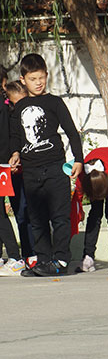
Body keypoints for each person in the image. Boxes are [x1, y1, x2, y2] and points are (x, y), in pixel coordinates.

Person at [8, 53, 83, 277]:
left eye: (41, 77)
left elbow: (71, 132)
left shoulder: (54, 103)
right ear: (23, 80)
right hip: (31, 172)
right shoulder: (20, 107)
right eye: (33, 79)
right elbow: (15, 136)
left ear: (47, 76)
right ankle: (42, 260)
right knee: (36, 218)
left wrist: (78, 159)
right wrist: (14, 153)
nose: (38, 83)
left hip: (55, 168)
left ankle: (60, 260)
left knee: (60, 217)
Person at [1, 79, 35, 268]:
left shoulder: (28, 114)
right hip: (12, 170)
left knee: (27, 212)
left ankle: (32, 253)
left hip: (26, 170)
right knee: (20, 213)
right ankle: (26, 254)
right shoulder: (10, 115)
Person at [0, 66, 24, 276]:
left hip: (1, 164)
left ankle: (15, 257)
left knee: (0, 212)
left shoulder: (3, 107)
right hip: (4, 164)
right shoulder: (6, 107)